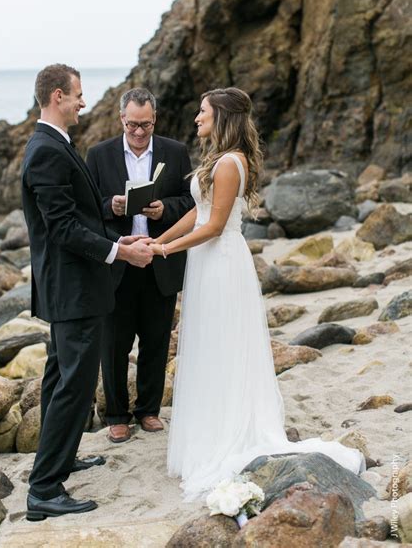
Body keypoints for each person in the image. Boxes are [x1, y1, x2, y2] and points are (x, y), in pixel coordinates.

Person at [150, 87, 365, 500]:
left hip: (222, 264)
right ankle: (210, 430)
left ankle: (228, 433)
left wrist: (162, 249)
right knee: (209, 348)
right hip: (206, 263)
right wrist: (162, 237)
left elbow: (213, 227)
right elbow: (198, 212)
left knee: (224, 348)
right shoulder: (218, 159)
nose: (196, 118)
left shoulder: (231, 162)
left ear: (222, 118)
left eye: (203, 112)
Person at [21, 64, 153, 520]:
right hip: (73, 289)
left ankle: (59, 460)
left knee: (60, 378)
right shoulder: (45, 150)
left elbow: (76, 211)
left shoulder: (55, 144)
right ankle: (44, 490)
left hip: (72, 288)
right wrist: (119, 251)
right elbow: (60, 228)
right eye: (78, 94)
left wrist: (110, 210)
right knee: (74, 386)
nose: (83, 101)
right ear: (58, 95)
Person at [86, 88, 194, 443]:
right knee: (114, 344)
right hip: (118, 259)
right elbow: (86, 208)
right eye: (132, 124)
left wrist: (165, 209)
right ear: (121, 119)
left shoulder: (175, 152)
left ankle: (148, 410)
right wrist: (111, 207)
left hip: (159, 258)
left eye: (145, 125)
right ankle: (116, 415)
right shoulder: (99, 155)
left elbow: (190, 203)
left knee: (156, 339)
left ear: (155, 119)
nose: (138, 132)